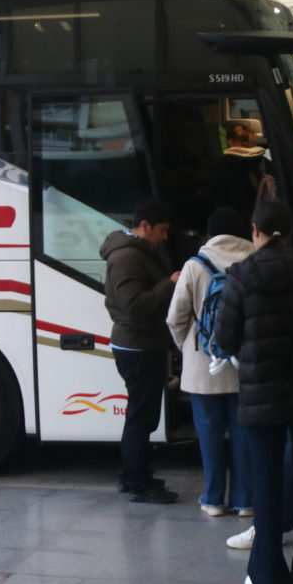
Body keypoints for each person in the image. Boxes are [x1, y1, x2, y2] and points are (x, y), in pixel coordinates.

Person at [214, 199, 293, 584]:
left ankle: (268, 579)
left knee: (266, 483)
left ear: (255, 231)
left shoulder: (242, 275)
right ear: (291, 230)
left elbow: (225, 338)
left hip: (262, 392)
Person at [166, 207, 255, 519]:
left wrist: (189, 348)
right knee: (244, 435)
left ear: (209, 234)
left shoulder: (194, 265)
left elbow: (175, 317)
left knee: (210, 435)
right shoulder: (254, 261)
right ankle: (245, 500)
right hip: (246, 365)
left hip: (204, 367)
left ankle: (213, 499)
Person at [100, 198, 181, 504]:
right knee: (141, 418)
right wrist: (169, 283)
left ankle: (133, 475)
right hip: (138, 345)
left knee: (140, 415)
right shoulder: (127, 257)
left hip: (141, 343)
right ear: (144, 226)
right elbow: (134, 304)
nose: (165, 237)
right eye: (162, 230)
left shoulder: (136, 253)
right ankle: (138, 483)